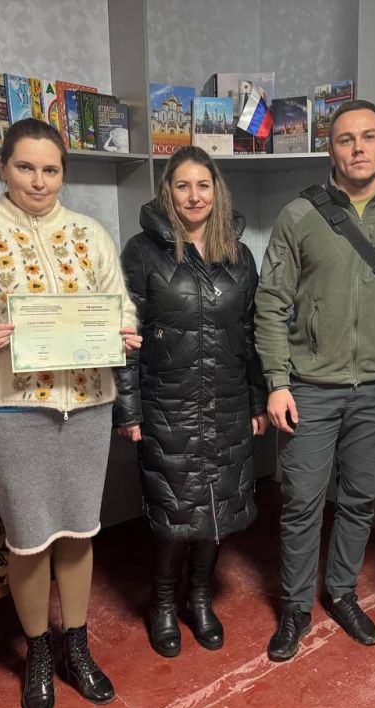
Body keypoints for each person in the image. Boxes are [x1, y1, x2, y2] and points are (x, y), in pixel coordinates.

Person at [0, 117, 140, 708]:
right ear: (3, 167)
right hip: (10, 411)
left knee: (79, 532)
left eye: (50, 169)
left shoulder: (90, 234)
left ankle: (77, 648)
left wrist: (123, 330)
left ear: (63, 173)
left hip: (87, 407)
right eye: (26, 167)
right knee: (30, 538)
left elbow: (119, 304)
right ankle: (38, 651)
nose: (39, 181)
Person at [254, 100, 375, 661]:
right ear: (330, 149)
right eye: (345, 139)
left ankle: (341, 592)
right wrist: (277, 381)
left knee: (359, 501)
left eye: (369, 137)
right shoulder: (298, 216)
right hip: (309, 386)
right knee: (301, 502)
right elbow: (270, 303)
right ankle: (294, 608)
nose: (358, 148)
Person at [113, 145, 268, 658]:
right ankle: (162, 603)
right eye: (183, 185)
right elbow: (125, 336)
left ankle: (199, 597)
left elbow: (250, 334)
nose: (194, 195)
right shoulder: (141, 252)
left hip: (227, 401)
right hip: (168, 404)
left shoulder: (238, 254)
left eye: (203, 185)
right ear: (168, 192)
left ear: (216, 191)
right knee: (173, 509)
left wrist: (257, 399)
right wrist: (129, 409)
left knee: (217, 506)